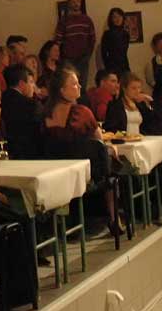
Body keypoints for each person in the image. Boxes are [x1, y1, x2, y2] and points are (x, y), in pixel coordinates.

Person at [42, 66, 120, 238]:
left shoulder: (44, 115)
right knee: (110, 163)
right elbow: (99, 141)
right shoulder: (82, 113)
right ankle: (114, 218)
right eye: (74, 84)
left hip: (55, 173)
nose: (79, 87)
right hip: (85, 176)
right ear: (62, 90)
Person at [105, 71, 162, 187]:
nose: (137, 91)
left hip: (138, 140)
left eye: (139, 88)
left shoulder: (139, 105)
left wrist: (149, 103)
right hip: (124, 144)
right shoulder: (115, 106)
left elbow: (160, 118)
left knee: (157, 151)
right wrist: (121, 135)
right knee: (157, 155)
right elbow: (110, 128)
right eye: (133, 88)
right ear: (124, 88)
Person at [1, 64, 41, 159]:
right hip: (27, 154)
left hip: (6, 151)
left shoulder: (0, 99)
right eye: (31, 82)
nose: (34, 87)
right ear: (22, 84)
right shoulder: (30, 105)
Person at [54, 0, 95, 76]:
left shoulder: (87, 20)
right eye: (73, 2)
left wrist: (88, 55)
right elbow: (58, 41)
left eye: (78, 1)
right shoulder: (63, 21)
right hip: (68, 59)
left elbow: (92, 38)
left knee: (82, 82)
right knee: (69, 81)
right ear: (68, 4)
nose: (76, 4)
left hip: (83, 58)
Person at [100, 7, 130, 73]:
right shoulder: (107, 34)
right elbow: (104, 53)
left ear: (123, 18)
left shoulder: (125, 34)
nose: (118, 19)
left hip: (124, 64)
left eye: (119, 16)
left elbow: (124, 52)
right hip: (112, 65)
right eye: (114, 17)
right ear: (111, 19)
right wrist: (107, 66)